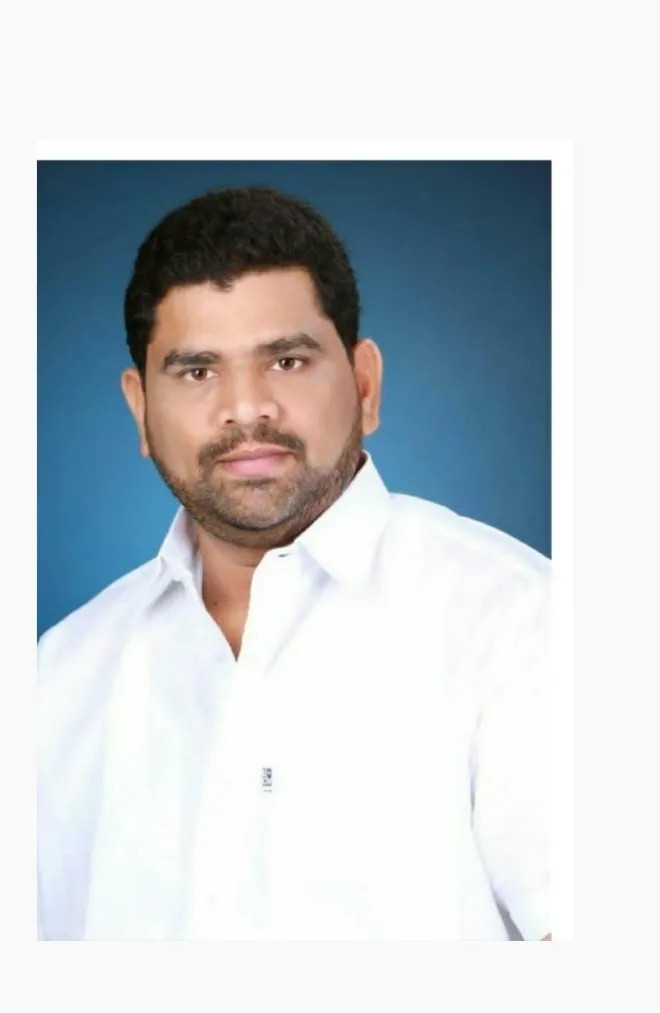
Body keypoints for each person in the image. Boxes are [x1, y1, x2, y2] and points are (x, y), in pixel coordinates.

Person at [37, 185, 552, 941]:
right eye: (197, 371)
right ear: (140, 409)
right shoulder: (58, 677)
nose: (247, 408)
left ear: (365, 385)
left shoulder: (520, 625)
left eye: (286, 360)